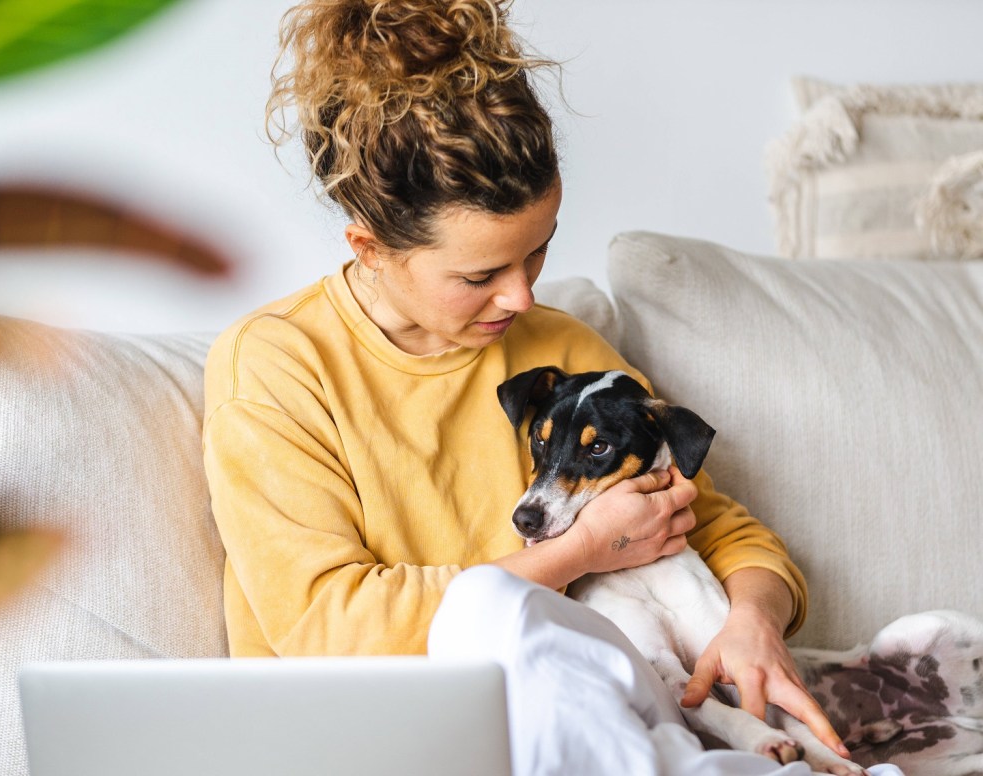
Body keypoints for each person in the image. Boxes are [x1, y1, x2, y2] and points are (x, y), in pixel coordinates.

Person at [202, 0, 872, 772]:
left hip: (596, 713)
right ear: (372, 247)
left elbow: (713, 525)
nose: (520, 298)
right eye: (480, 275)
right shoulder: (278, 365)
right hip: (379, 735)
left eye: (538, 253)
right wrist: (583, 549)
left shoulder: (560, 349)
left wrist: (753, 619)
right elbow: (329, 627)